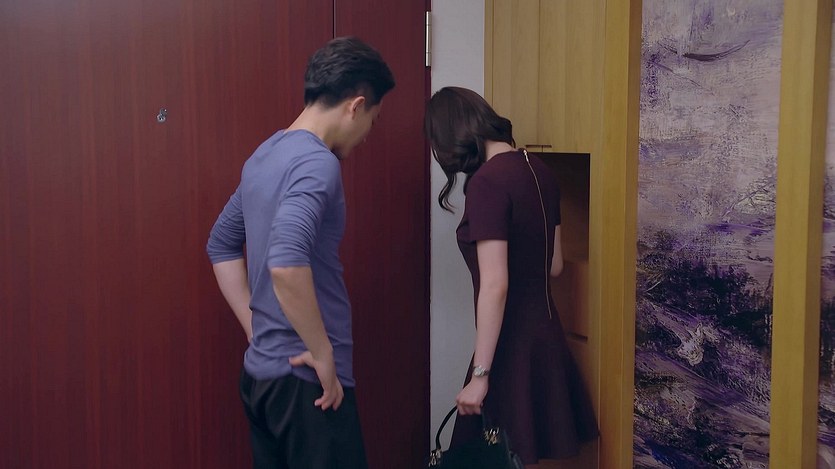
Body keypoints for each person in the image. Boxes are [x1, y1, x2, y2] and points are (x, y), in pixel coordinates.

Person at [206, 36, 394, 469]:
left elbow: (221, 244)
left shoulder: (265, 155)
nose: (368, 135)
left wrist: (255, 328)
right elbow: (286, 263)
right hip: (307, 384)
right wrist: (323, 355)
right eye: (373, 119)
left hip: (262, 378)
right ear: (355, 106)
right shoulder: (315, 162)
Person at [425, 86, 598, 466]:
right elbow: (554, 265)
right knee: (513, 455)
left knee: (482, 456)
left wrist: (480, 375)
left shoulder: (488, 182)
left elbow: (495, 284)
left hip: (508, 345)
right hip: (546, 336)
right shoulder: (539, 170)